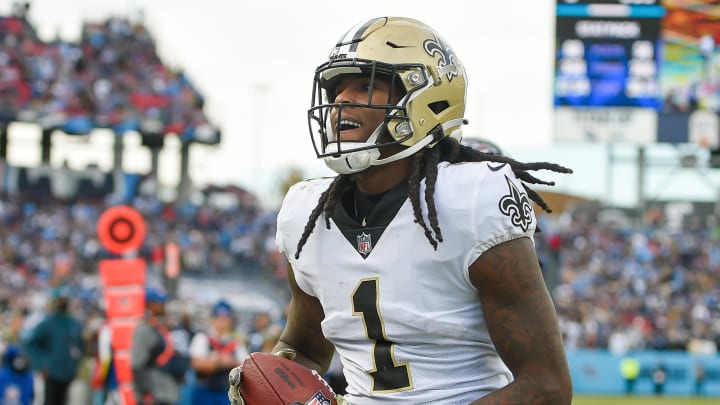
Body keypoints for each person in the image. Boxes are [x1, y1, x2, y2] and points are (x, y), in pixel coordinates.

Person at [228, 16, 573, 404]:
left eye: (365, 85)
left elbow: (546, 387)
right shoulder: (305, 214)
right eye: (338, 88)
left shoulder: (472, 200)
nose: (341, 99)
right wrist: (276, 381)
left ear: (427, 100)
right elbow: (305, 347)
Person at [24, 288, 84, 405]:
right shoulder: (48, 323)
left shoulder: (75, 324)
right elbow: (31, 344)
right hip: (51, 374)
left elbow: (79, 347)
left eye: (65, 300)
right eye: (60, 300)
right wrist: (42, 364)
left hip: (68, 373)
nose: (63, 303)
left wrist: (75, 365)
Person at [130, 288, 188, 405]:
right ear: (149, 304)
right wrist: (146, 393)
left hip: (166, 393)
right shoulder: (144, 330)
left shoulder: (159, 326)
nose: (163, 306)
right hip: (154, 395)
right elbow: (137, 365)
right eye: (159, 303)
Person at [188, 300, 247, 405]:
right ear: (213, 319)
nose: (222, 322)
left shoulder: (236, 342)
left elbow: (245, 366)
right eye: (219, 318)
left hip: (227, 391)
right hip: (205, 389)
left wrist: (230, 362)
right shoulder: (202, 338)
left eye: (225, 319)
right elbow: (195, 363)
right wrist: (218, 362)